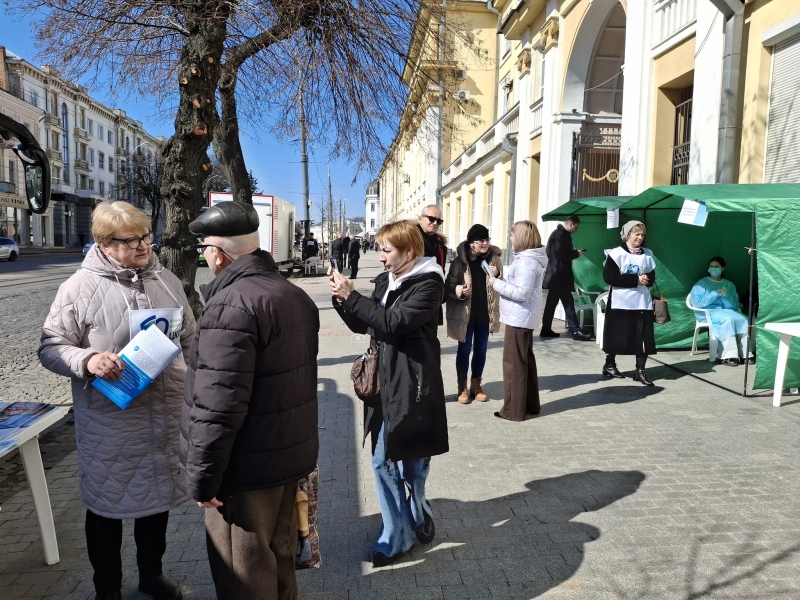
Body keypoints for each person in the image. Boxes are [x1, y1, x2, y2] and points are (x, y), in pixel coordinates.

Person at [38, 201, 195, 600]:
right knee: (107, 509)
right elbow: (51, 347)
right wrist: (88, 361)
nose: (143, 245)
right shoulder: (78, 288)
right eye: (131, 240)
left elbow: (191, 338)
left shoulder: (166, 279)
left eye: (146, 236)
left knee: (156, 503)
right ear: (105, 244)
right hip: (111, 423)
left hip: (165, 418)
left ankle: (151, 576)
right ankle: (106, 588)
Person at [182, 201, 319, 600]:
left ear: (218, 254)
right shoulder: (292, 294)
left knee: (243, 575)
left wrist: (203, 478)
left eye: (205, 248)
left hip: (243, 471)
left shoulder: (231, 305)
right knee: (280, 560)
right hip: (286, 458)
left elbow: (218, 406)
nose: (206, 256)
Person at [330, 220, 447, 567]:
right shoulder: (386, 280)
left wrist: (354, 297)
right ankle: (396, 535)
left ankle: (418, 505)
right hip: (382, 382)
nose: (380, 257)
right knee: (383, 460)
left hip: (412, 386)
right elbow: (368, 323)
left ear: (408, 251)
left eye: (386, 250)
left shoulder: (429, 284)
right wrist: (342, 299)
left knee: (413, 464)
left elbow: (394, 323)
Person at [488, 221, 548, 421]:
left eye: (513, 235)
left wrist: (496, 284)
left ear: (521, 237)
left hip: (518, 318)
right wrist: (500, 276)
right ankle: (529, 405)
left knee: (514, 365)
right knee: (524, 362)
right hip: (522, 317)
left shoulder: (526, 262)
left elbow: (522, 293)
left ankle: (513, 411)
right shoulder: (528, 259)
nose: (510, 238)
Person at [445, 224, 503, 404]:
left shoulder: (494, 259)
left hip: (485, 313)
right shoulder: (459, 262)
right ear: (471, 243)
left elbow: (503, 283)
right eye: (480, 240)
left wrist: (497, 274)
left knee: (481, 349)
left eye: (487, 239)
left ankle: (476, 385)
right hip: (465, 314)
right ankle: (462, 386)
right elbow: (448, 286)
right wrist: (460, 290)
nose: (485, 243)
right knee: (464, 350)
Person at [601, 220, 657, 386]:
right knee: (616, 336)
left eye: (642, 235)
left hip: (642, 302)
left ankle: (640, 371)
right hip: (621, 303)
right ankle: (610, 364)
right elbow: (609, 277)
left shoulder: (648, 254)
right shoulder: (616, 254)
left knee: (643, 337)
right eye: (636, 234)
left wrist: (646, 279)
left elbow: (652, 276)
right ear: (627, 235)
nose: (640, 238)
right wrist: (635, 280)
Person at [691, 256, 754, 366]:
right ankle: (728, 355)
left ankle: (745, 353)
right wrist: (714, 294)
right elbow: (698, 303)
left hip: (726, 311)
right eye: (711, 266)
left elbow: (733, 306)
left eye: (716, 267)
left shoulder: (729, 285)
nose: (713, 268)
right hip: (708, 312)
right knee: (727, 320)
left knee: (744, 320)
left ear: (723, 268)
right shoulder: (701, 284)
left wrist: (726, 296)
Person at [541, 215, 592, 341]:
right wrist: (577, 253)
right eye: (576, 227)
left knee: (551, 304)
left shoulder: (555, 234)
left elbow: (552, 253)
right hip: (561, 276)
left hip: (554, 275)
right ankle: (576, 330)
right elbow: (562, 254)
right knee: (568, 303)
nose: (576, 230)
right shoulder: (562, 235)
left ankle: (546, 329)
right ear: (571, 224)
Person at [417, 204, 448, 270]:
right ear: (420, 219)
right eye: (431, 219)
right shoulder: (409, 239)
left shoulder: (440, 243)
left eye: (439, 221)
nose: (435, 223)